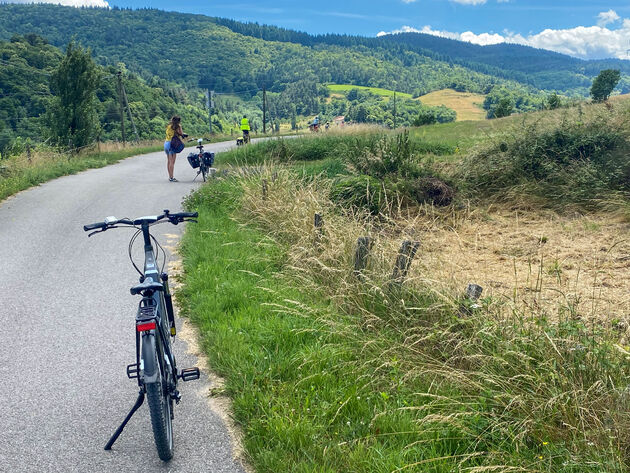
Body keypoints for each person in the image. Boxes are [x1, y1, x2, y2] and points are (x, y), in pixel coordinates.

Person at [164, 115, 187, 182]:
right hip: (173, 144)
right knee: (172, 162)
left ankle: (170, 176)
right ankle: (172, 177)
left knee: (168, 161)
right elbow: (181, 133)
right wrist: (181, 129)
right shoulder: (177, 126)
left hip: (166, 143)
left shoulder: (169, 126)